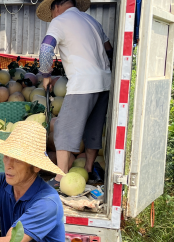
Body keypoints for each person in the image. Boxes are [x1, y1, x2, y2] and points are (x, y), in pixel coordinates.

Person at [36, 0, 113, 188]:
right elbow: (109, 50)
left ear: (56, 7)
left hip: (83, 83)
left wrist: (46, 75)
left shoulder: (59, 21)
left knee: (62, 128)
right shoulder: (92, 21)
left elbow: (46, 49)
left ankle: (60, 177)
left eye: (52, 13)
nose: (53, 17)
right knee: (94, 128)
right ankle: (88, 170)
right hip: (104, 82)